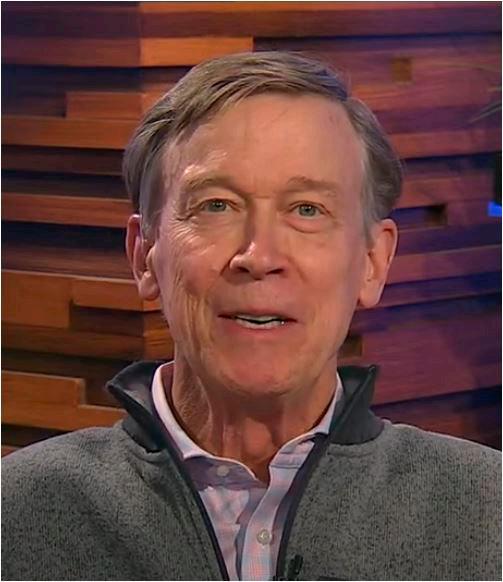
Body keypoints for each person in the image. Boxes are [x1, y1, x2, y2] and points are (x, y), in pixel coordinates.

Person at [2, 52, 500, 582]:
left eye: (307, 209)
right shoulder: (18, 516)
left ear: (373, 262)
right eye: (216, 206)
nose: (260, 256)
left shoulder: (486, 513)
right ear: (144, 256)